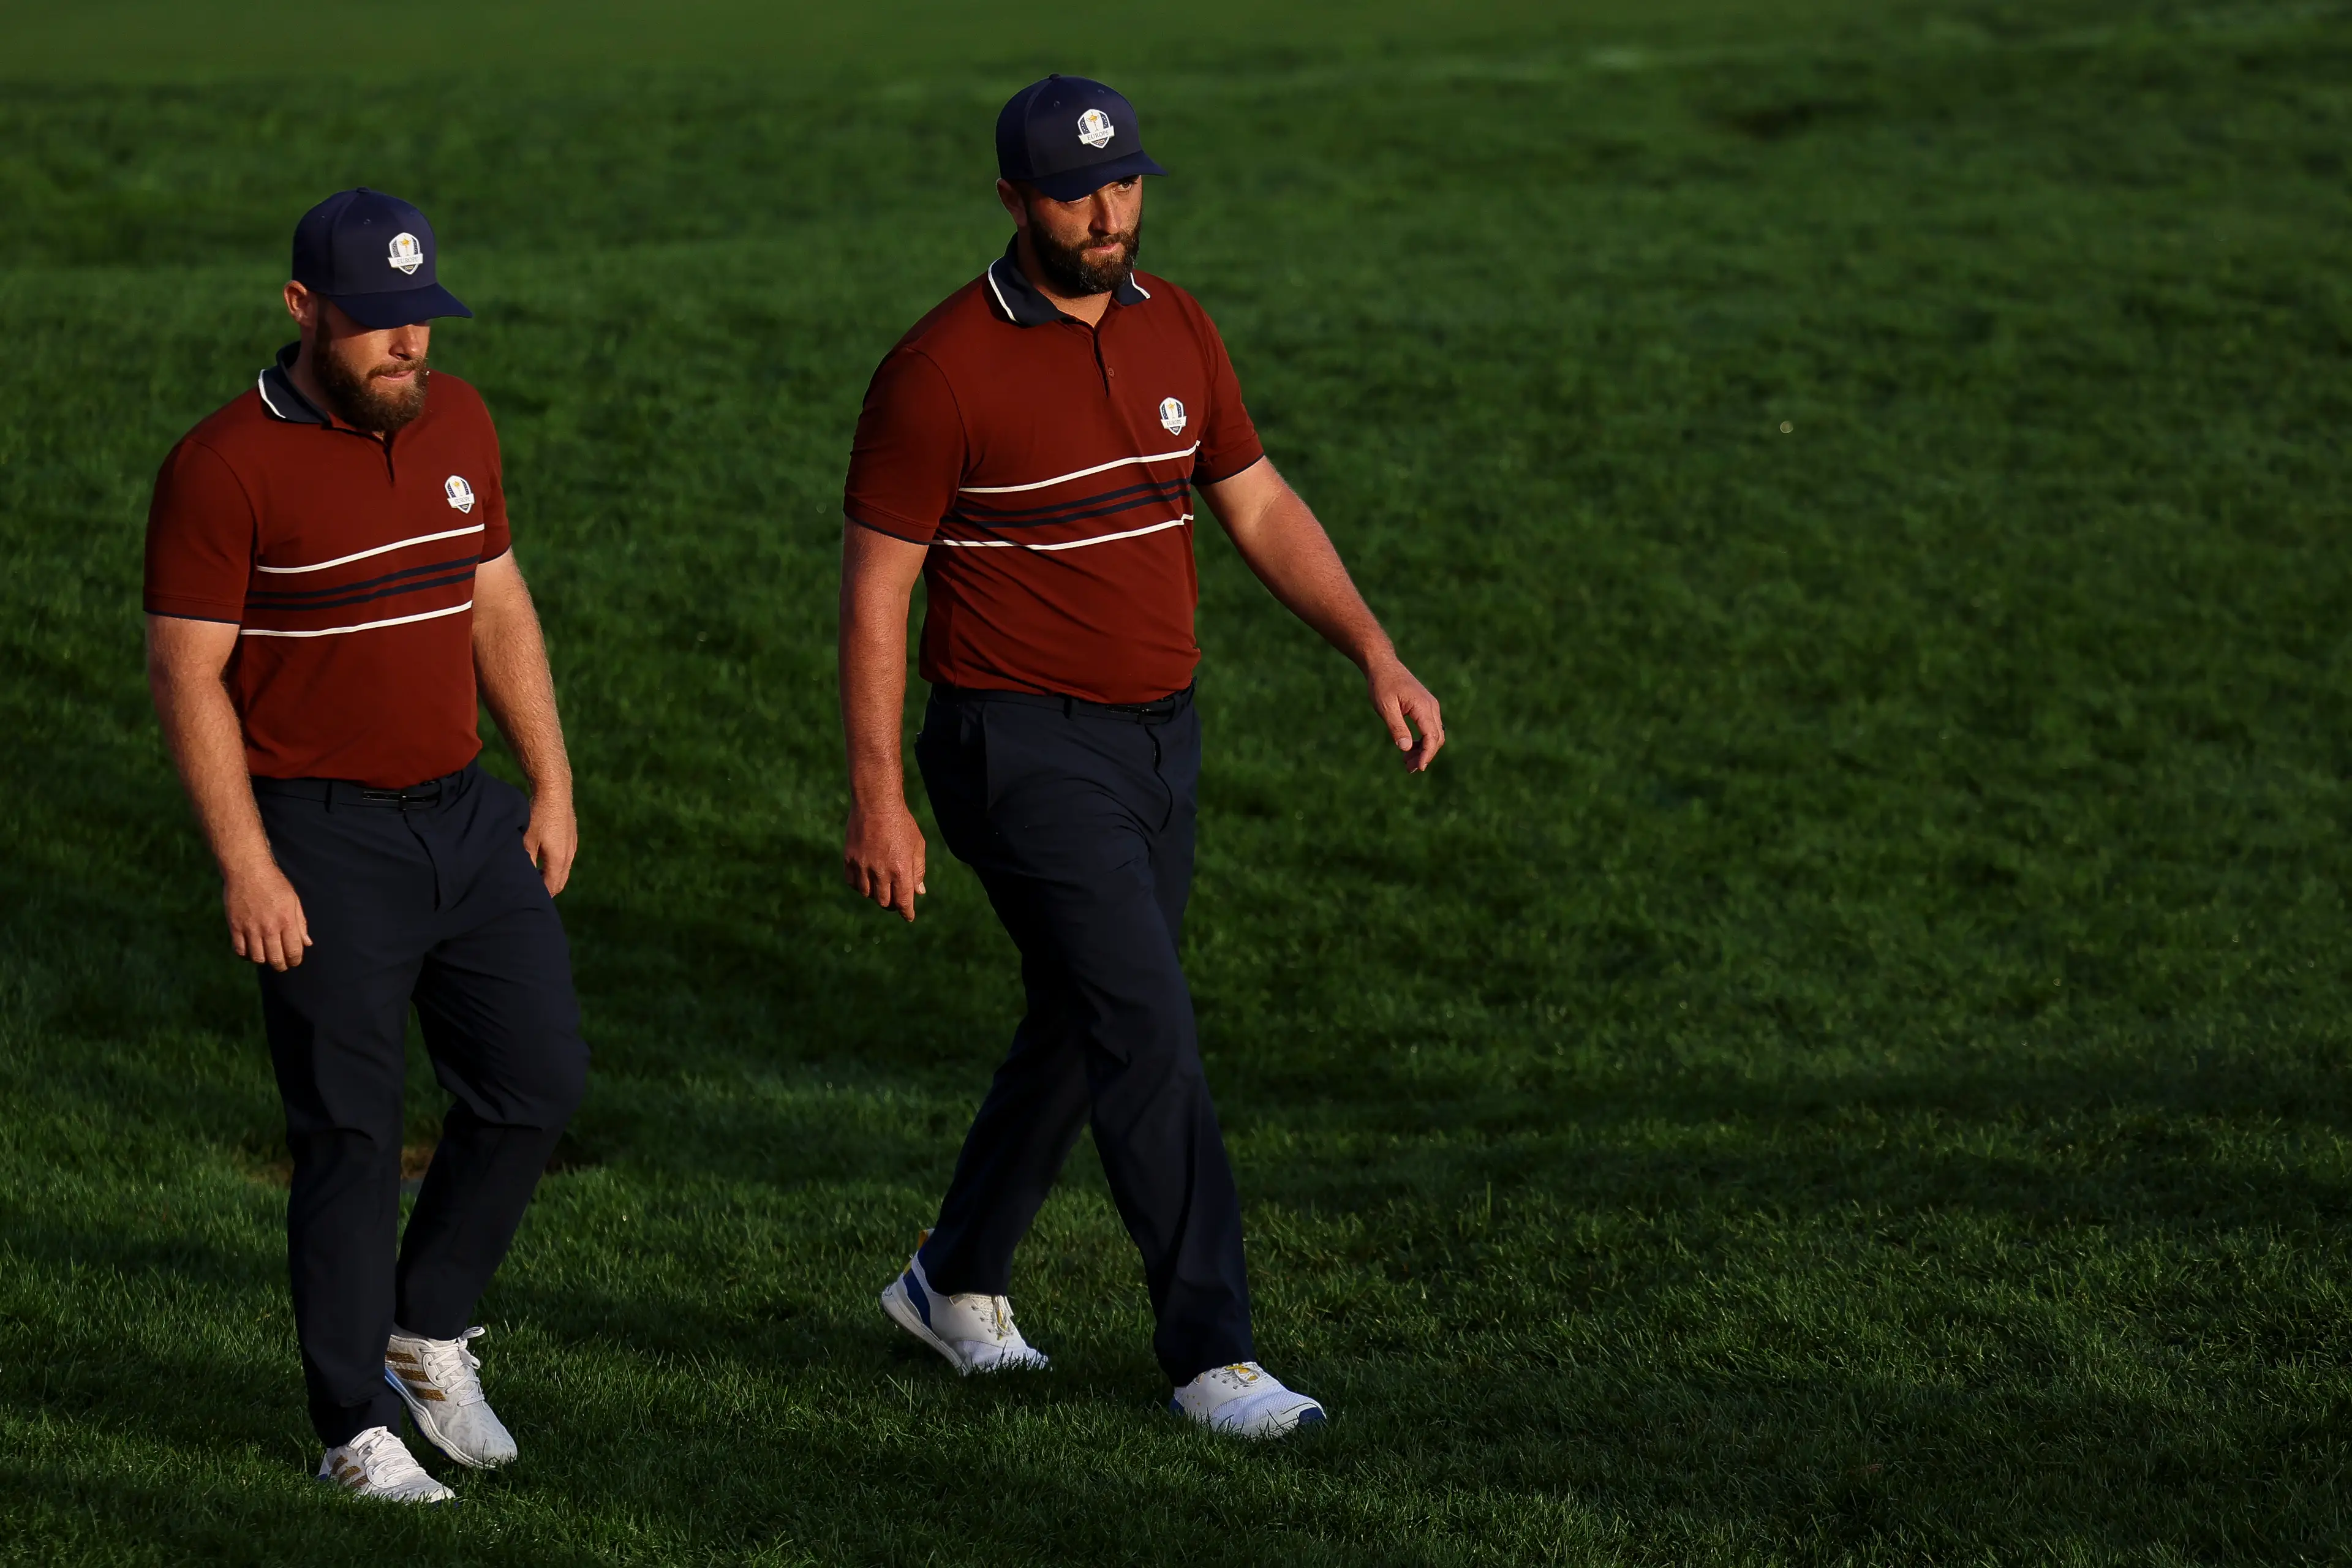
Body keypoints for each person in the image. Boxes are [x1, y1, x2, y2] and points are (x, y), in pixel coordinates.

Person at [839, 76, 1445, 1439]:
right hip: (1018, 746)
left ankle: (954, 1276)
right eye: (1075, 190)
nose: (1108, 212)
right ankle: (1213, 1353)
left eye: (1124, 183)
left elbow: (1257, 500)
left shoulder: (1177, 326)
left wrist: (1373, 648)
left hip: (1160, 739)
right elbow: (877, 589)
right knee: (1148, 1027)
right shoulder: (938, 371)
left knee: (1085, 1012)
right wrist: (879, 795)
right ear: (1012, 201)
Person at [143, 189, 587, 1501]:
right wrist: (247, 861)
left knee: (537, 1078)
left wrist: (549, 784)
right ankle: (353, 1426)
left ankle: (425, 1323)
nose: (410, 345)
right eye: (380, 323)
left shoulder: (457, 420)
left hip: (465, 812)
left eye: (422, 318)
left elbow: (495, 600)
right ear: (304, 310)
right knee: (347, 1132)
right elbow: (186, 676)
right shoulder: (221, 467)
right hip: (318, 837)